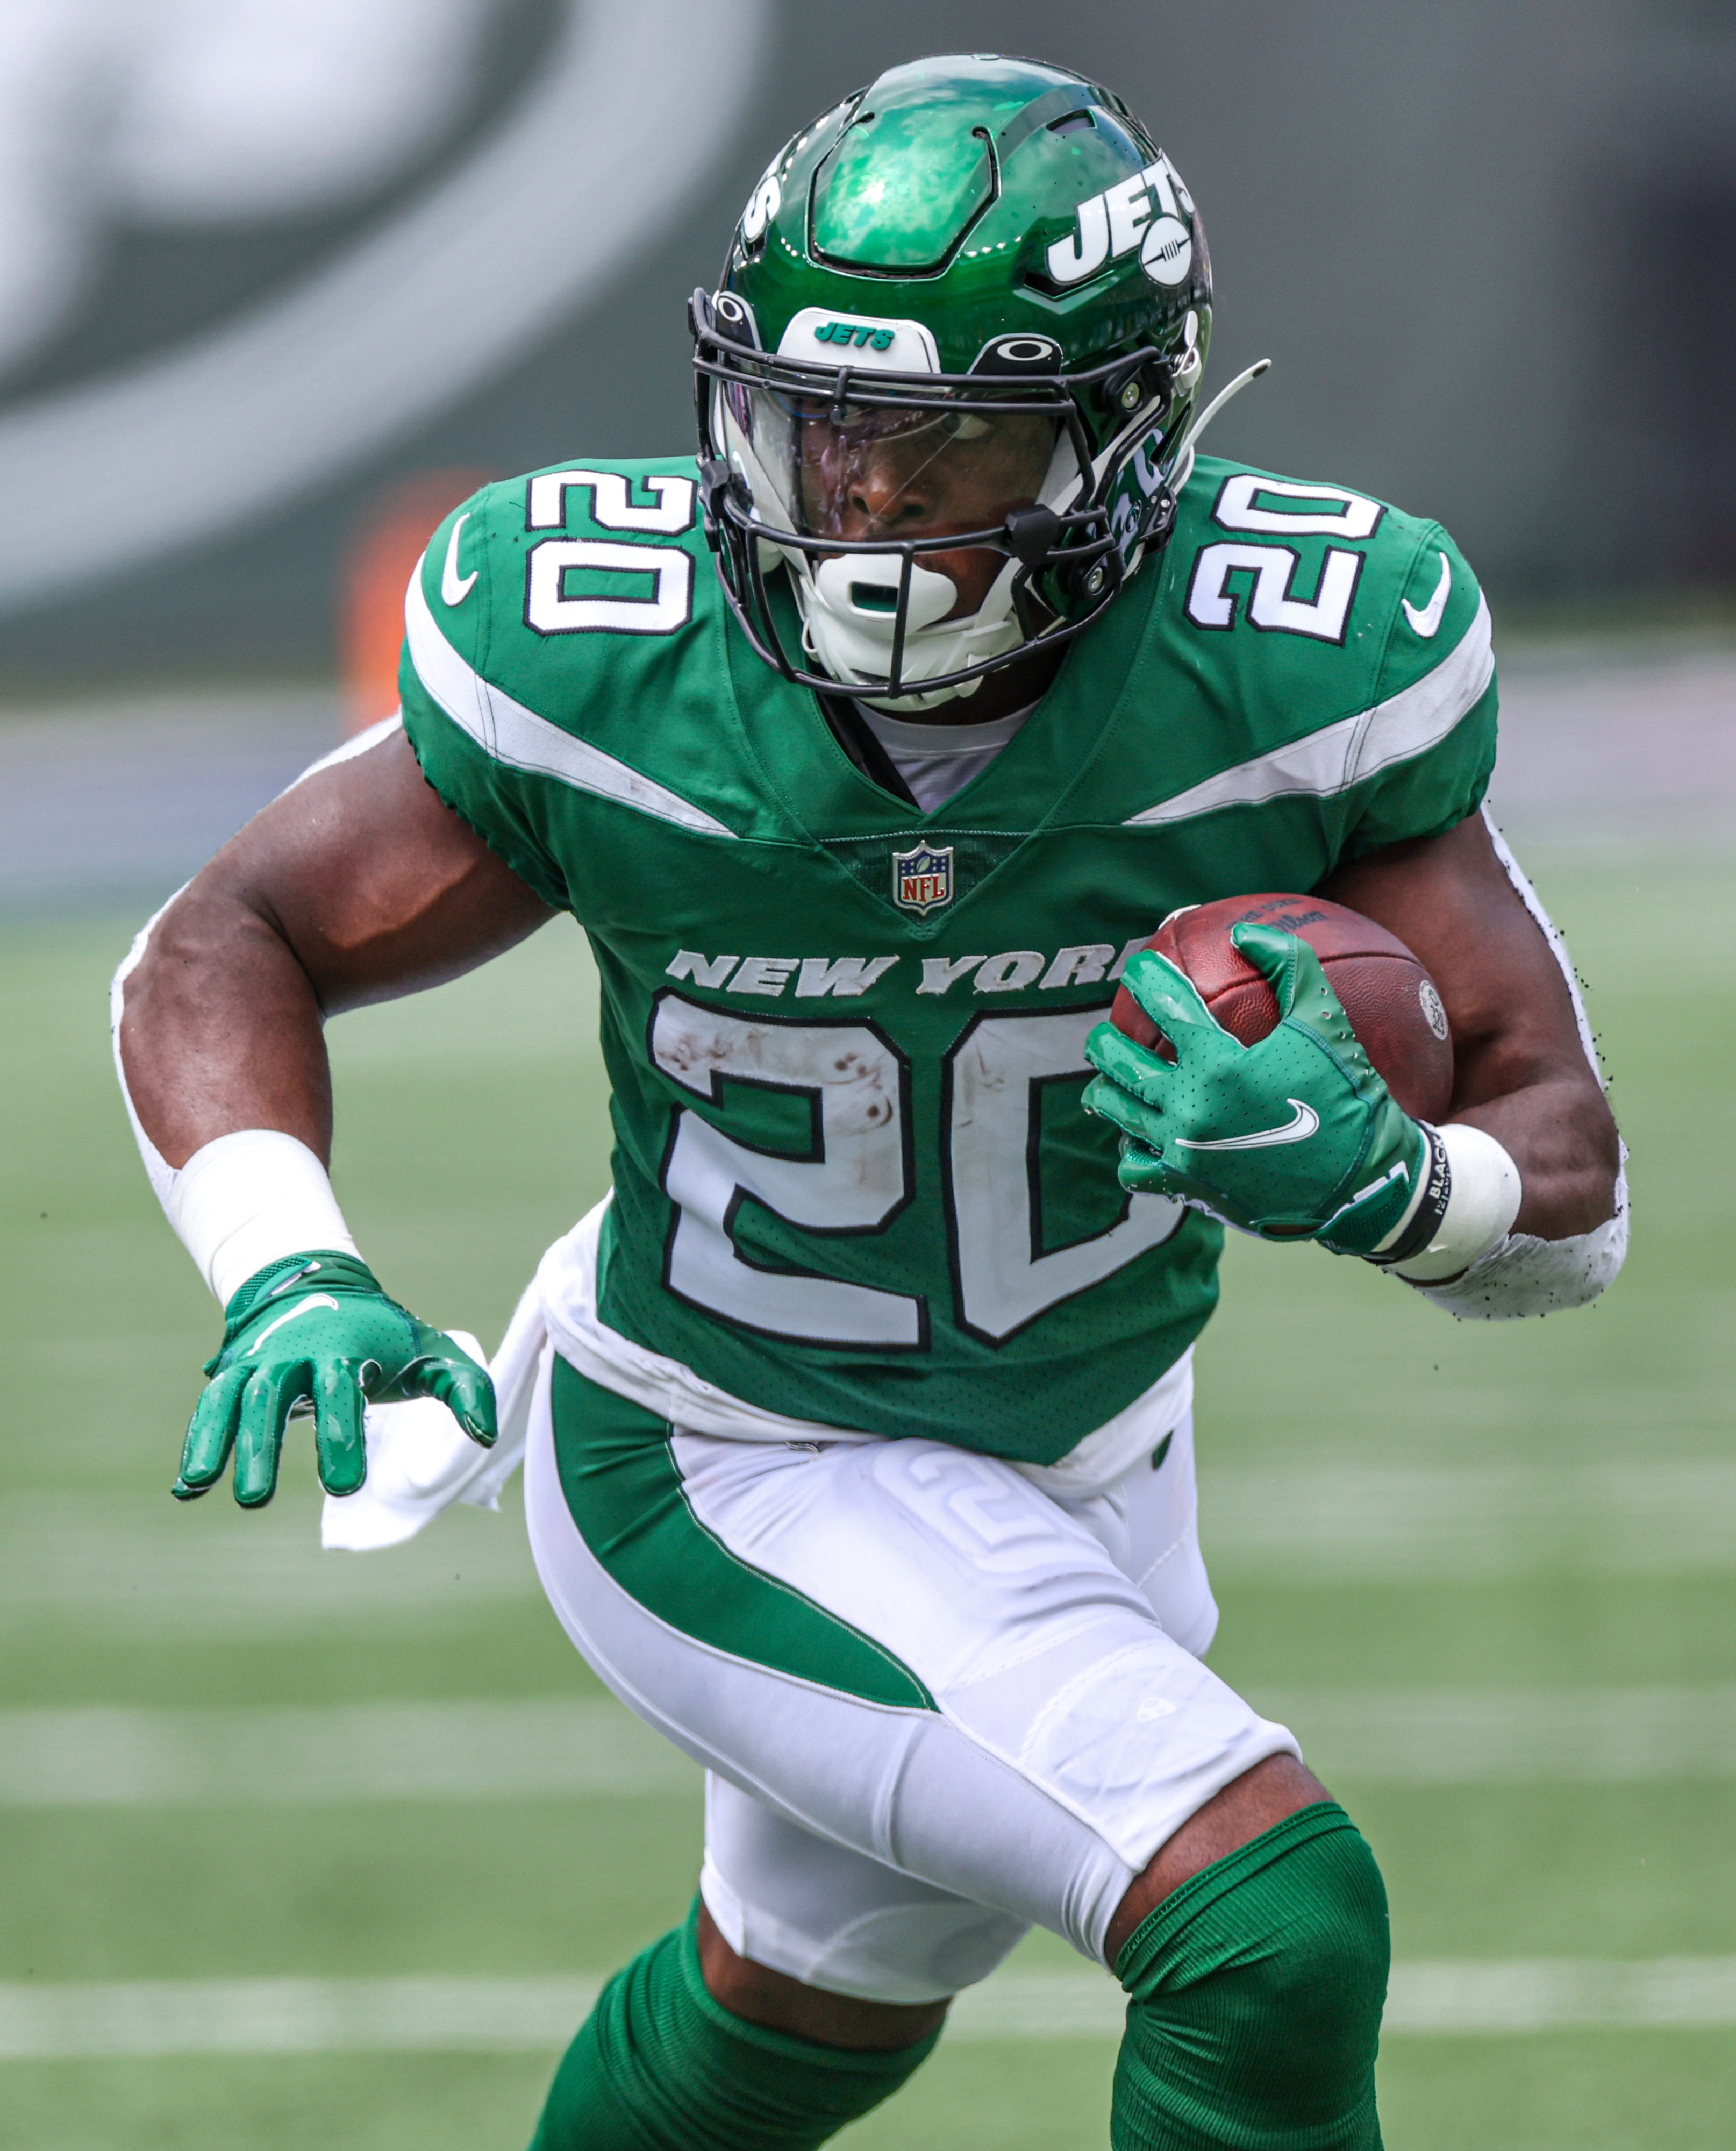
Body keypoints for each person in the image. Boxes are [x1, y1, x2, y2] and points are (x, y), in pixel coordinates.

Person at [114, 52, 1625, 2151]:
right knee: (1272, 1921)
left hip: (1088, 1446)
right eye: (822, 428)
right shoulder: (611, 655)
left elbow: (1566, 1184)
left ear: (1117, 437)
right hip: (720, 1445)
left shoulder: (1296, 667)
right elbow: (226, 936)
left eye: (950, 441)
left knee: (790, 2026)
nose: (868, 503)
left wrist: (1398, 1187)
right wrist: (286, 1265)